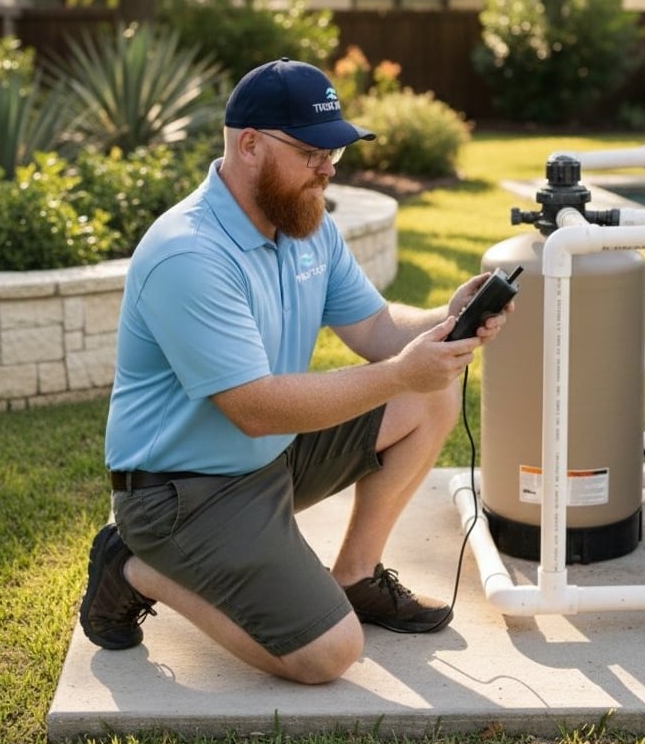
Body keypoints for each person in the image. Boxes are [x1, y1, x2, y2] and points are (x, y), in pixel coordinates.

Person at [79, 57, 508, 685]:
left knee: (432, 397)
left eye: (334, 151)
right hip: (181, 493)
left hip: (271, 459)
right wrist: (400, 373)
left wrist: (447, 318)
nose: (328, 168)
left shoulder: (306, 224)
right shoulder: (189, 253)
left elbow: (377, 328)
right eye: (312, 152)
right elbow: (254, 409)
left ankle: (357, 575)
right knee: (328, 655)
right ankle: (132, 566)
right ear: (250, 145)